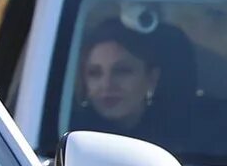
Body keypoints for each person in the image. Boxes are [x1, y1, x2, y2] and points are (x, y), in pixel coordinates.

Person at [69, 18, 189, 149]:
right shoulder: (70, 135)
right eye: (94, 73)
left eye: (121, 71)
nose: (106, 84)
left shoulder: (187, 139)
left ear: (152, 78)